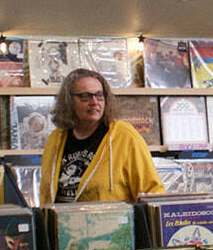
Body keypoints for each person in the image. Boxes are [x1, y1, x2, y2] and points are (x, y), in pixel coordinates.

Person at [40, 68, 164, 204]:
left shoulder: (125, 136)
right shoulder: (56, 139)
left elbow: (152, 192)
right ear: (68, 100)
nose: (94, 102)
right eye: (85, 96)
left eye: (99, 95)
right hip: (60, 223)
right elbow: (46, 194)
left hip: (110, 224)